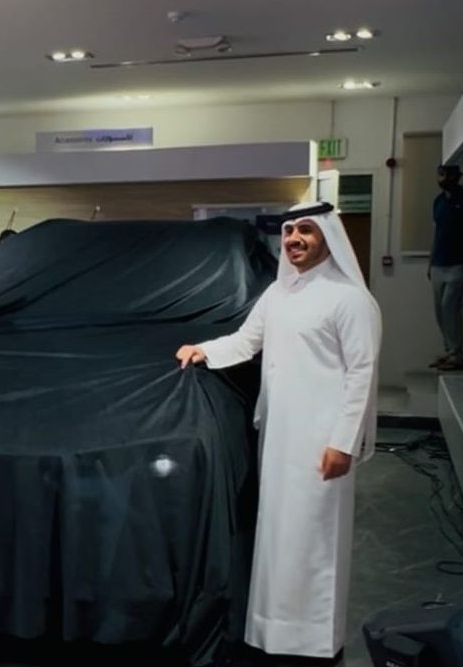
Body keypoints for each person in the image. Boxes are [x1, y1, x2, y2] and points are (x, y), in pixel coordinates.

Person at [175, 201, 381, 666]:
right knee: (279, 536)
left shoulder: (349, 300)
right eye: (289, 231)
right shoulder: (278, 294)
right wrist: (202, 349)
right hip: (280, 436)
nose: (294, 240)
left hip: (322, 441)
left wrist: (343, 442)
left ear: (327, 237)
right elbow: (247, 341)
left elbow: (361, 374)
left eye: (306, 230)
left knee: (316, 538)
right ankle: (274, 633)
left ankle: (316, 642)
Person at [427, 164, 463, 372]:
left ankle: (457, 354)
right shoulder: (438, 202)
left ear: (457, 177)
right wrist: (430, 261)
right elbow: (437, 233)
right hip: (438, 263)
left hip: (459, 263)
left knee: (449, 307)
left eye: (448, 175)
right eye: (441, 175)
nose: (444, 179)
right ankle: (450, 350)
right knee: (439, 310)